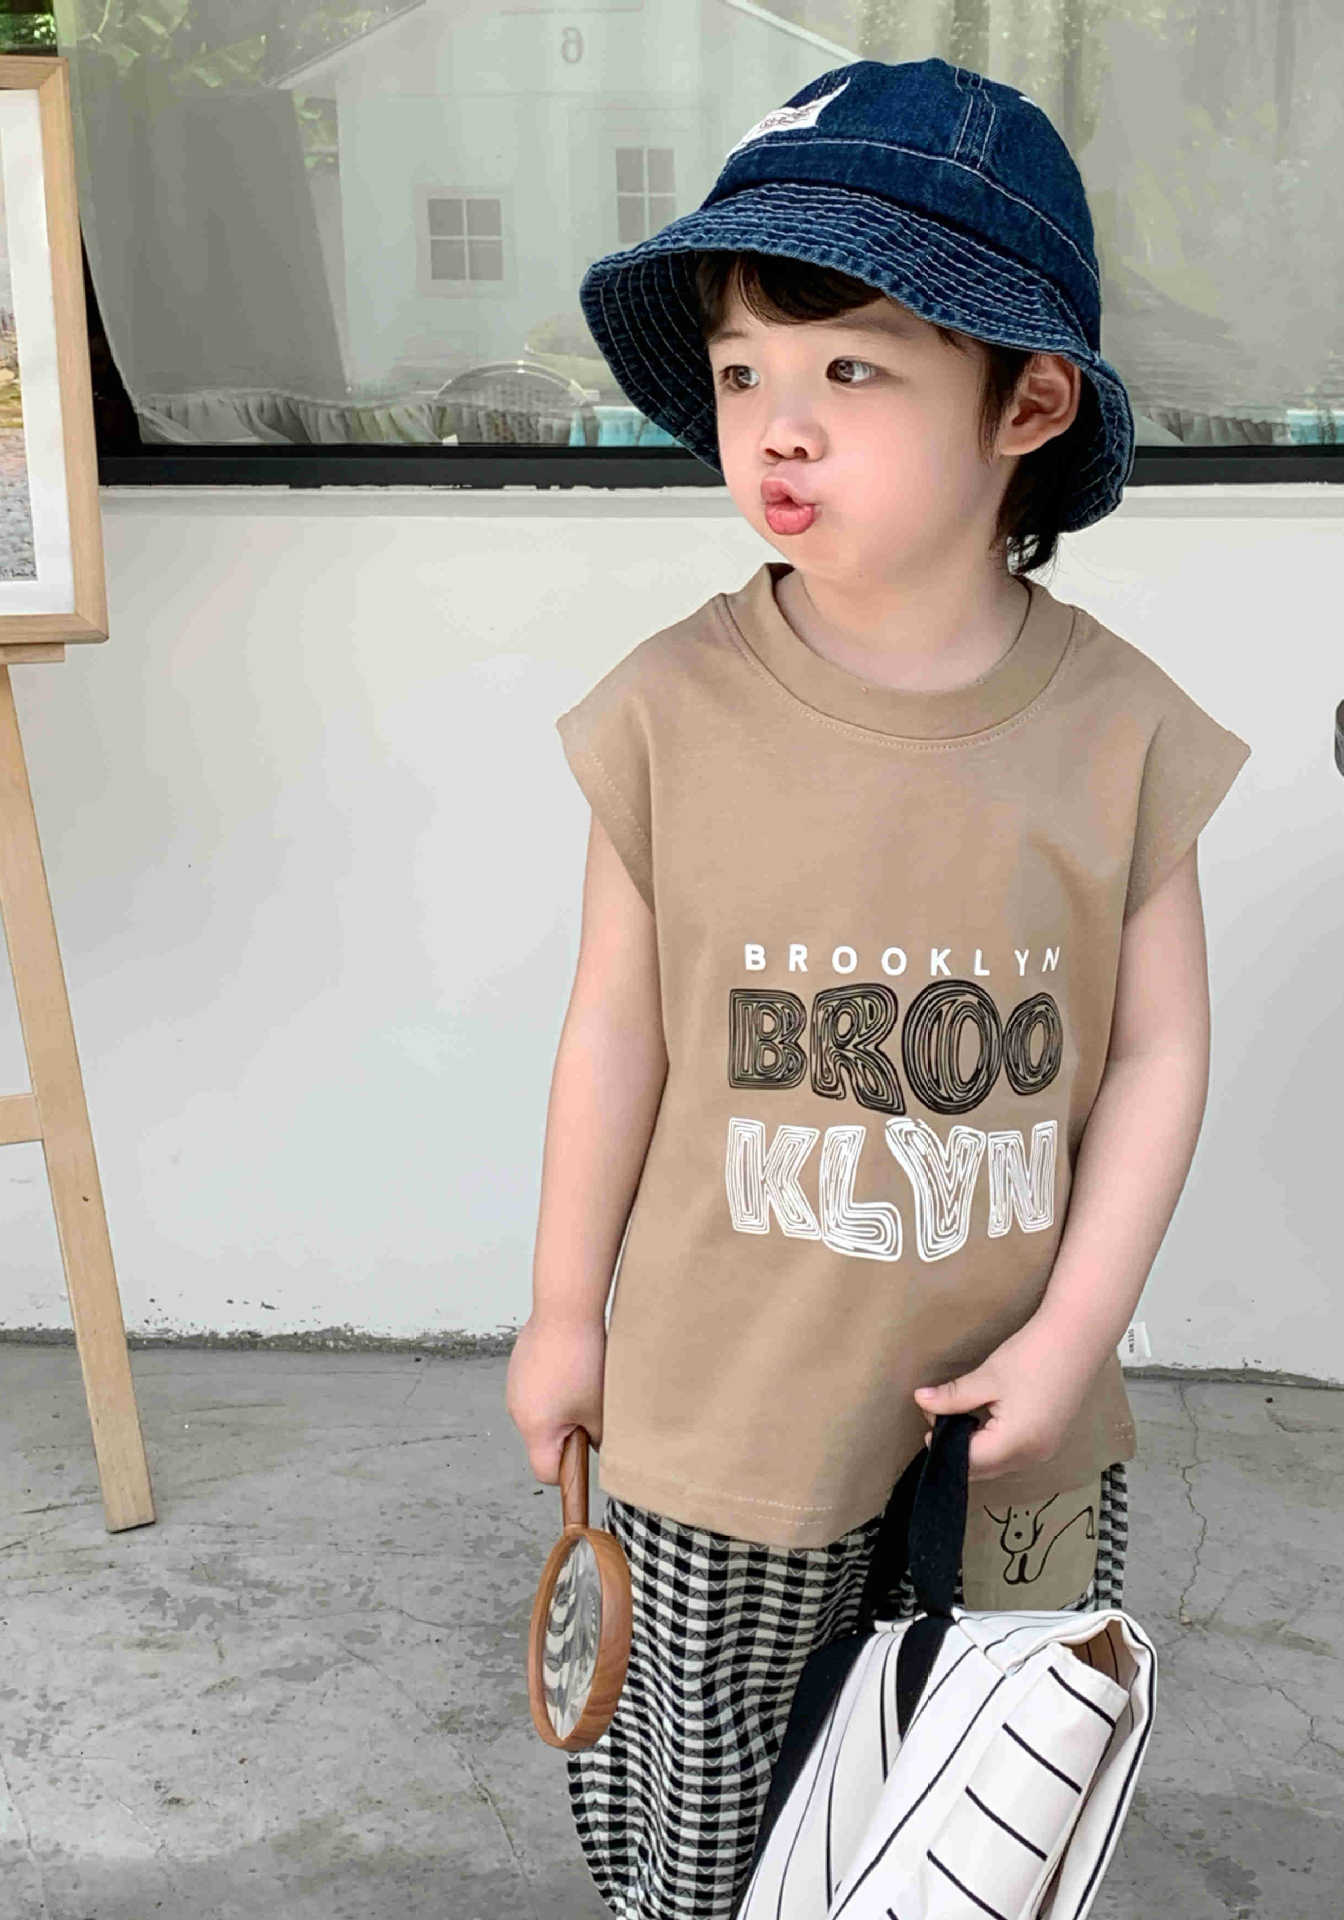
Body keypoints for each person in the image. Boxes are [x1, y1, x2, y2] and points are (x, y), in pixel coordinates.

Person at [506, 55, 1251, 1920]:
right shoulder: (668, 713)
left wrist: (1075, 1340)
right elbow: (616, 1032)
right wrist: (563, 1313)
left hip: (1009, 1433)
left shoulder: (1121, 730)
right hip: (722, 1422)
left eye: (852, 372)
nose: (778, 427)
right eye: (742, 372)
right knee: (718, 1832)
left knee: (965, 1823)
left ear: (1029, 402)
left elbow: (1159, 1052)